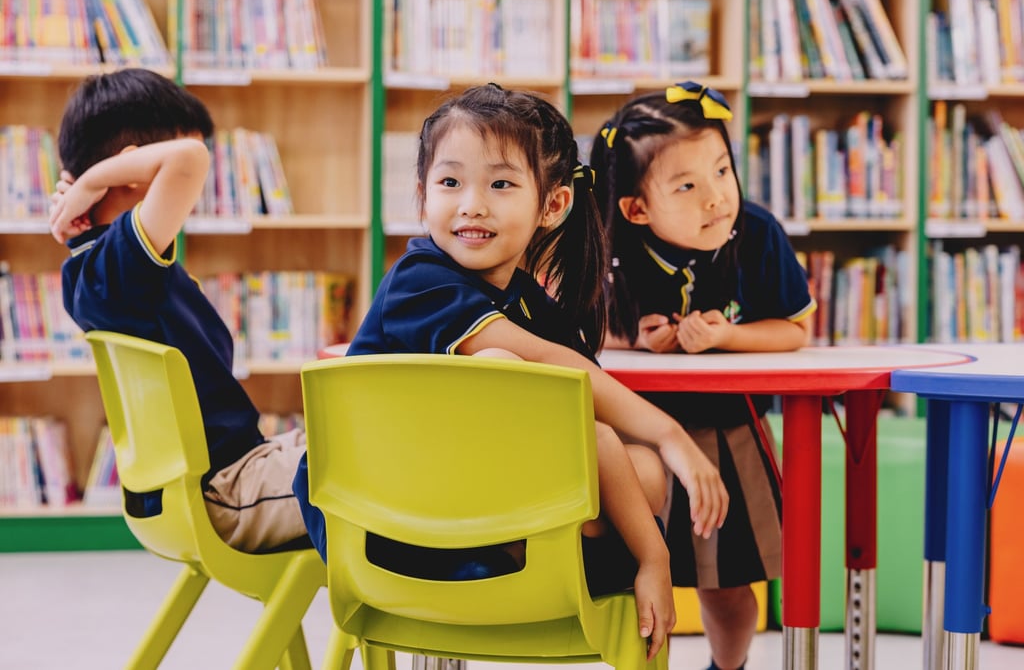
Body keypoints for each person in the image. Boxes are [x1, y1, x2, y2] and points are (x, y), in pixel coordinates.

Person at [293, 83, 729, 659]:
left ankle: (602, 549)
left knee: (637, 467)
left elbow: (578, 401)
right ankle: (631, 554)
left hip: (471, 519)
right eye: (450, 183)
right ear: (422, 196)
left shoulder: (525, 300)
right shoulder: (418, 279)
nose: (472, 203)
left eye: (500, 184)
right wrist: (668, 456)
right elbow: (556, 371)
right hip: (391, 531)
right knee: (534, 391)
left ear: (552, 205)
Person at [590, 81, 816, 670]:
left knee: (727, 582)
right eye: (687, 186)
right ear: (636, 208)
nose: (716, 197)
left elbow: (795, 332)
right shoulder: (607, 243)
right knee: (626, 573)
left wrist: (727, 338)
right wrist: (634, 337)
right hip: (633, 441)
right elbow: (575, 333)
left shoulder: (758, 233)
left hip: (730, 433)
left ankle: (728, 666)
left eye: (722, 171)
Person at [49, 68, 309, 554]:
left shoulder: (95, 267)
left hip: (238, 471)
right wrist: (95, 180)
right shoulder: (120, 267)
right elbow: (190, 158)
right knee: (383, 472)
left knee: (371, 441)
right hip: (229, 488)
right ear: (134, 169)